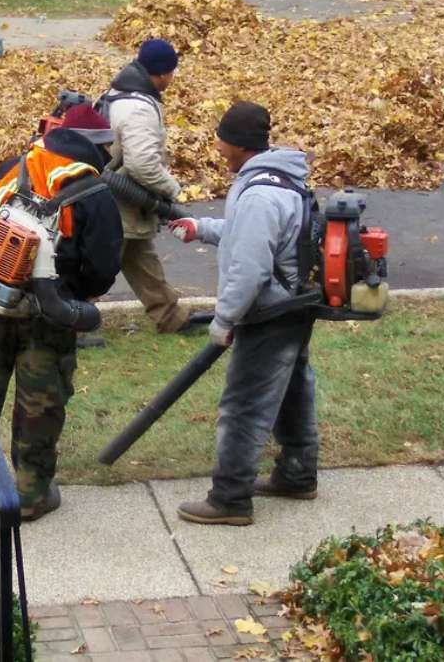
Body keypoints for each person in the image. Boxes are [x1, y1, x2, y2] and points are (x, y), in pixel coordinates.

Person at [0, 106, 123, 522]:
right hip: (50, 314)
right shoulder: (94, 194)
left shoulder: (12, 168)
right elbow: (101, 269)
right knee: (39, 403)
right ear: (97, 149)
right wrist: (77, 298)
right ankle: (30, 494)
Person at [166, 101, 319, 526]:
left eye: (219, 137)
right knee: (292, 390)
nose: (216, 146)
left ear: (234, 143)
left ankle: (230, 498)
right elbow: (251, 238)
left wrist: (224, 320)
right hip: (292, 306)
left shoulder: (259, 195)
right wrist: (201, 228)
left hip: (268, 312)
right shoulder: (279, 182)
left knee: (244, 405)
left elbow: (250, 269)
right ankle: (297, 473)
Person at [100, 38, 206, 335]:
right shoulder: (138, 109)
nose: (173, 77)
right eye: (172, 71)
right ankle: (68, 323)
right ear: (161, 73)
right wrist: (171, 190)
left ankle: (170, 316)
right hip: (118, 198)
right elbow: (142, 164)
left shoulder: (122, 92)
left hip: (119, 197)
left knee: (139, 256)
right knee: (97, 266)